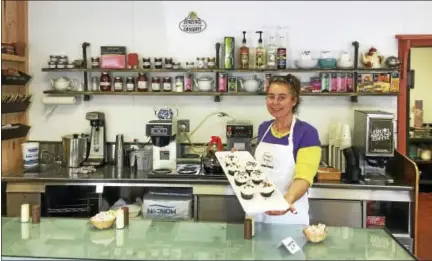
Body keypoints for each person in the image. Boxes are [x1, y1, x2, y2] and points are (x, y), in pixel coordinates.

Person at [234, 74, 321, 225]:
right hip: (257, 212)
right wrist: (241, 161)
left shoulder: (307, 132)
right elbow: (259, 172)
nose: (275, 103)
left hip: (288, 216)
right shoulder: (264, 128)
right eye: (271, 96)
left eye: (282, 97)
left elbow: (304, 177)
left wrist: (286, 201)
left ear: (293, 101)